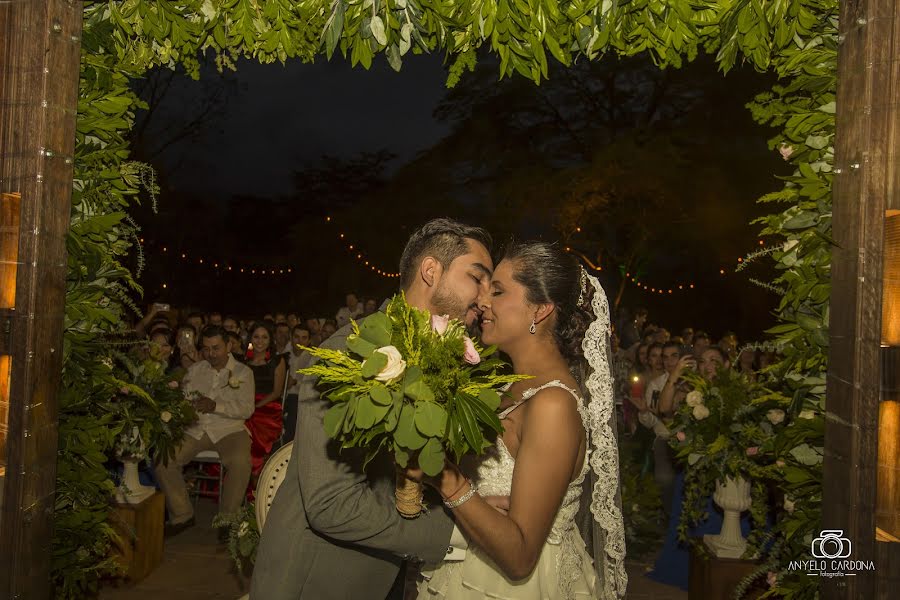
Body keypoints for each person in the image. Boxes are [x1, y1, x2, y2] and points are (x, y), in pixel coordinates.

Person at [251, 218, 495, 600]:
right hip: (320, 580)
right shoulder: (346, 353)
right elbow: (332, 504)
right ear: (431, 271)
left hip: (394, 571)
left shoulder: (453, 358)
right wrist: (458, 531)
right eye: (476, 277)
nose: (485, 298)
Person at [414, 242, 626, 600]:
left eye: (497, 290)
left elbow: (520, 556)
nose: (482, 301)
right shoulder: (504, 386)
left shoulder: (553, 404)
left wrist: (445, 477)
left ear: (540, 310)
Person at [154, 325, 254, 536]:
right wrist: (185, 409)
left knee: (240, 461)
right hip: (196, 429)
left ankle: (227, 519)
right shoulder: (196, 370)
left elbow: (247, 409)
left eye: (216, 348)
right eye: (207, 349)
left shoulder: (244, 372)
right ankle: (182, 514)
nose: (211, 354)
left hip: (230, 429)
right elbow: (184, 400)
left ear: (228, 346)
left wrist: (216, 406)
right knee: (164, 458)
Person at [243, 321, 287, 479]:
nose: (260, 341)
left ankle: (256, 479)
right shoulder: (243, 362)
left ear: (270, 340)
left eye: (264, 337)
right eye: (256, 337)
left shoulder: (277, 361)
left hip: (268, 407)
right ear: (250, 338)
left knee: (252, 427)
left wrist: (255, 406)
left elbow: (277, 392)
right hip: (245, 405)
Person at [281, 324, 312, 444]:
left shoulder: (312, 358)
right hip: (282, 396)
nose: (300, 341)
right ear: (291, 338)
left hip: (301, 399)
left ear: (309, 340)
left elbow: (311, 385)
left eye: (304, 338)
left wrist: (293, 382)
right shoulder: (284, 356)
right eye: (297, 337)